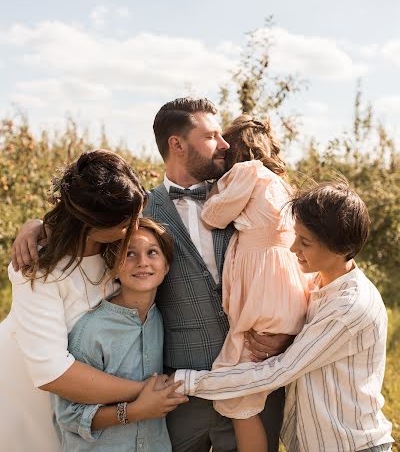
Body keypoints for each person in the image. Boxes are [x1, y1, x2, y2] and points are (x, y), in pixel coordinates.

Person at [12, 98, 293, 452]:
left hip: (253, 378)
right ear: (177, 144)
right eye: (211, 136)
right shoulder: (135, 212)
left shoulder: (248, 194)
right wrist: (37, 225)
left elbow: (292, 263)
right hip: (177, 390)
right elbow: (83, 221)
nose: (224, 145)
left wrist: (285, 334)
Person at [174, 182, 394, 452]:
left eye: (305, 242)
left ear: (341, 249)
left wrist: (187, 382)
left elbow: (278, 372)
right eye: (295, 236)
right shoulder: (314, 285)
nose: (292, 249)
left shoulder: (349, 306)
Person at [2, 149, 187, 452]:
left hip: (85, 402)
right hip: (26, 392)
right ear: (91, 225)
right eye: (128, 221)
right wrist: (142, 393)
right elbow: (53, 373)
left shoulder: (112, 251)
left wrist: (36, 223)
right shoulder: (39, 270)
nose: (136, 224)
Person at [200, 115, 309, 452]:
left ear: (235, 150)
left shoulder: (247, 173)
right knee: (251, 386)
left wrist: (216, 189)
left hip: (264, 295)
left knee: (235, 387)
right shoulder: (279, 182)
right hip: (287, 288)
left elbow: (212, 216)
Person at [54, 217, 188, 451]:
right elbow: (68, 415)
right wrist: (134, 412)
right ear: (113, 266)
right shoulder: (92, 330)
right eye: (130, 254)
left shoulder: (161, 320)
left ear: (166, 266)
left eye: (152, 252)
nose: (142, 262)